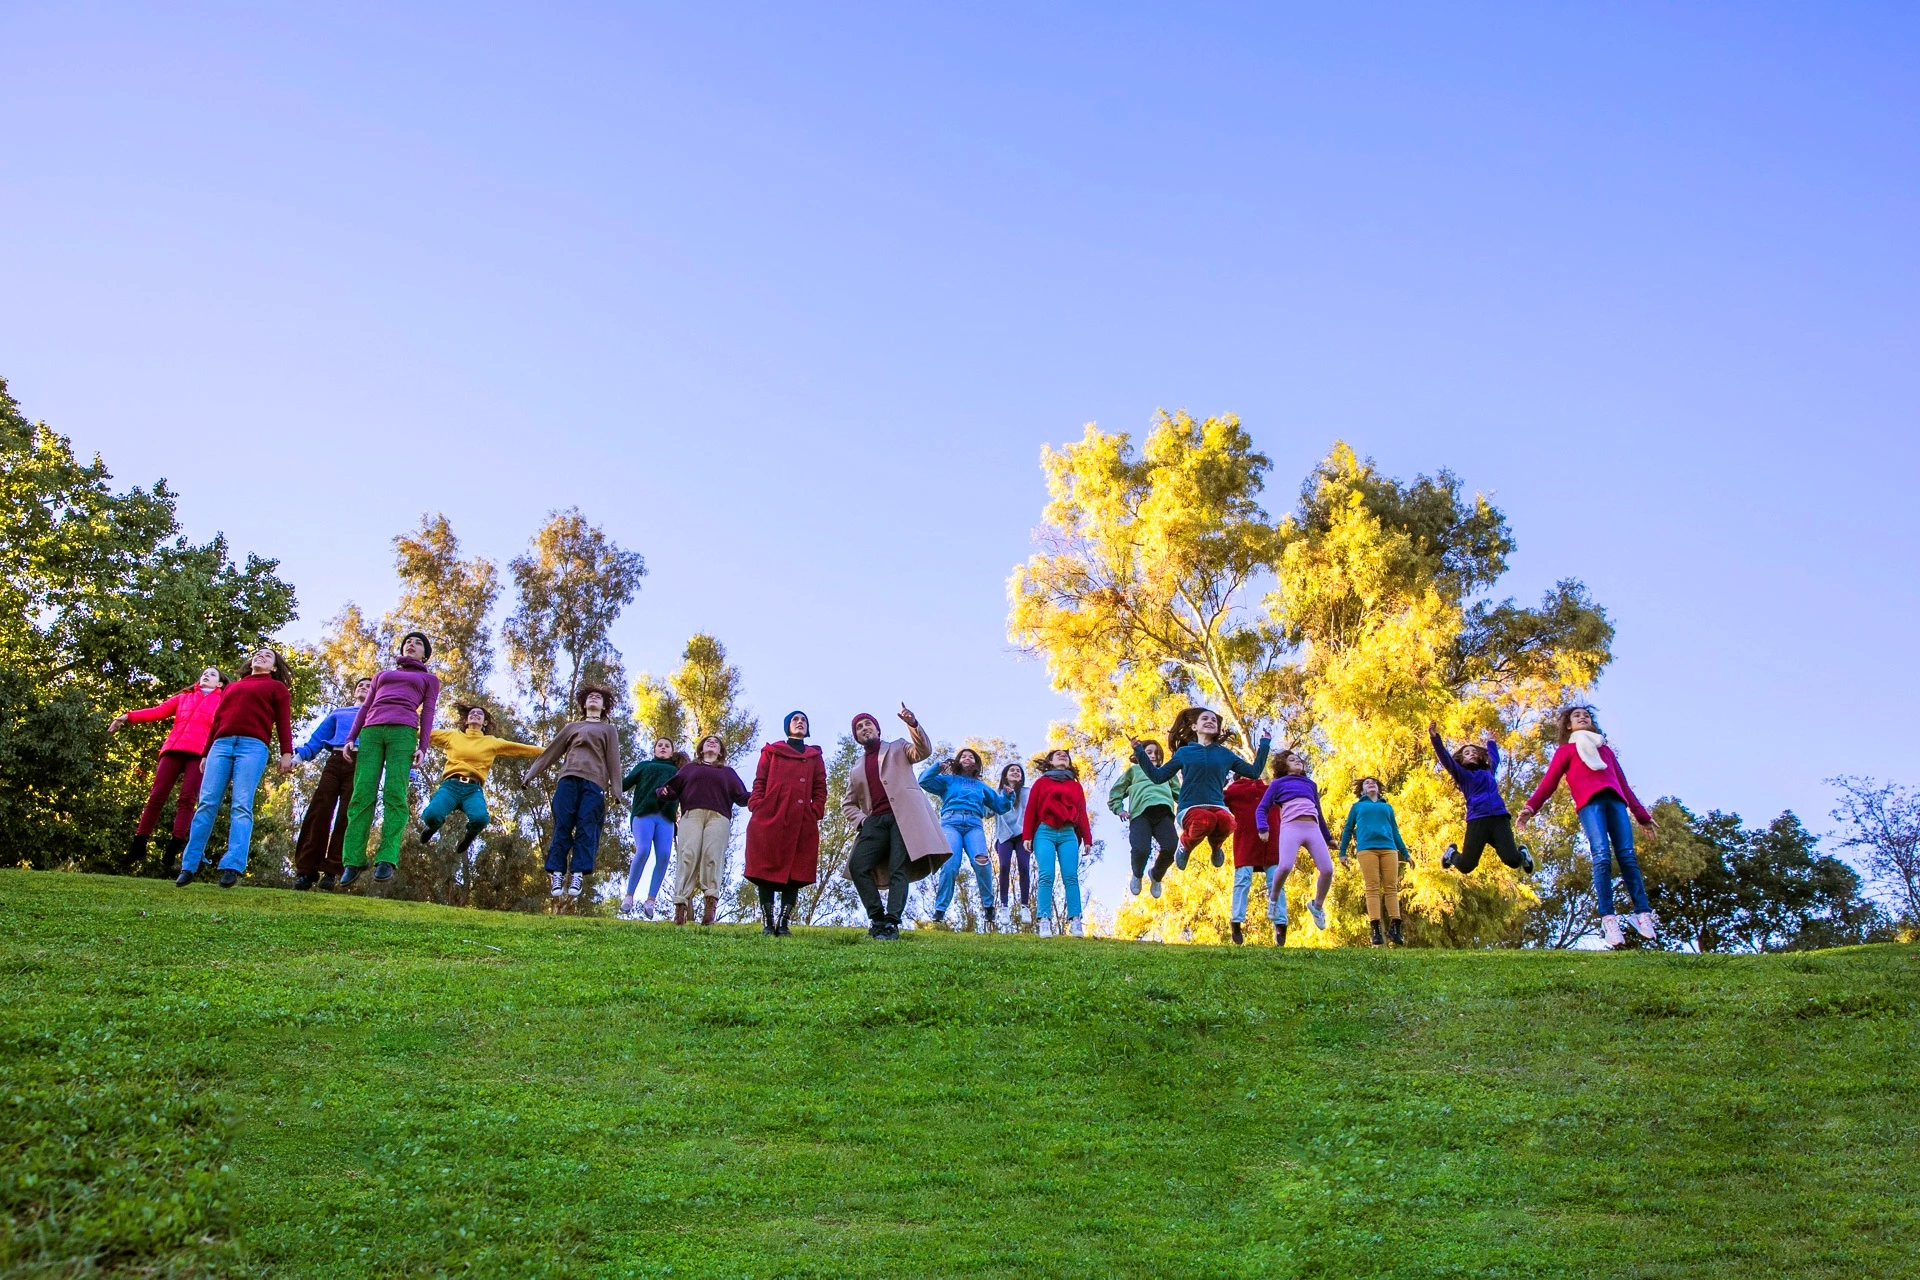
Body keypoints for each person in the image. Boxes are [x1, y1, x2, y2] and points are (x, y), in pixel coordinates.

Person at [1519, 705, 1658, 949]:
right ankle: (1609, 918)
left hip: (1615, 803)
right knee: (1602, 856)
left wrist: (1642, 816)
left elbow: (1624, 785)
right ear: (1569, 726)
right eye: (1577, 715)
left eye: (1587, 715)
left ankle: (1642, 914)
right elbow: (1549, 782)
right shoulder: (1566, 751)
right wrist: (1531, 808)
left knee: (1627, 856)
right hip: (1590, 805)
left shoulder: (1605, 751)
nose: (1583, 717)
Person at [175, 648, 293, 888]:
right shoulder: (231, 687)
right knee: (207, 803)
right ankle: (189, 864)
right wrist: (206, 753)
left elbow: (283, 721)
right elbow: (217, 720)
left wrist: (286, 754)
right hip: (221, 745)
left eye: (267, 656)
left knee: (241, 804)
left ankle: (232, 866)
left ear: (273, 667)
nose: (260, 656)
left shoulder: (276, 688)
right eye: (258, 654)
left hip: (252, 747)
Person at [340, 632, 441, 886]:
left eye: (418, 643)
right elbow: (365, 706)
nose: (411, 645)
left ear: (425, 654)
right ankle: (352, 860)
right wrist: (351, 737)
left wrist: (423, 746)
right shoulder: (381, 676)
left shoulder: (429, 679)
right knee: (362, 794)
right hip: (371, 732)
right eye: (408, 642)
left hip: (403, 733)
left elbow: (428, 711)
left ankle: (386, 857)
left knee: (395, 794)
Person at [841, 706, 945, 940]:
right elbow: (847, 803)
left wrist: (913, 724)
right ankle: (877, 918)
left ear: (877, 729)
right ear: (856, 737)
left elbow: (923, 751)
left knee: (899, 868)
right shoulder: (855, 769)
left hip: (904, 818)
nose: (864, 728)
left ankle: (891, 923)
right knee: (858, 866)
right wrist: (862, 821)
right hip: (874, 822)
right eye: (859, 727)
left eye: (868, 724)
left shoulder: (898, 747)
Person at [111, 665, 226, 866]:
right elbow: (158, 712)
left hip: (199, 754)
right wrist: (128, 716)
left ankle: (173, 848)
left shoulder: (223, 701)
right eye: (204, 673)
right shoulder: (184, 697)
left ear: (220, 683)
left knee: (187, 800)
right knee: (156, 796)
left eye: (212, 674)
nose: (206, 675)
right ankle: (138, 845)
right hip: (173, 750)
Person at [1131, 708, 1272, 871]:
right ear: (1194, 727)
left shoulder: (1225, 754)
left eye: (1214, 720)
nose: (1210, 721)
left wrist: (1265, 744)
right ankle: (1185, 845)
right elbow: (1158, 776)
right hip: (1190, 808)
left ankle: (1216, 847)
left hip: (1217, 806)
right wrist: (1140, 752)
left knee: (1228, 822)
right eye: (1205, 718)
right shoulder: (1184, 753)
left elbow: (1254, 772)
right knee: (1205, 819)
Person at [526, 685, 623, 902]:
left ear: (604, 706)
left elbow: (614, 761)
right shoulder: (573, 727)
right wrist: (531, 774)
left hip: (594, 783)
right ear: (584, 704)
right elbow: (550, 753)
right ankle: (557, 873)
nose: (594, 699)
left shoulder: (609, 730)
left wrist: (616, 790)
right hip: (568, 779)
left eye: (599, 697)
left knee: (587, 826)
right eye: (590, 696)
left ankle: (578, 874)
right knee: (563, 823)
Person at [744, 711, 828, 936]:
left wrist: (815, 810)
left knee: (796, 868)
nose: (800, 722)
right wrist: (757, 805)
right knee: (765, 865)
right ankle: (767, 922)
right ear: (787, 726)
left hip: (802, 819)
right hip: (770, 816)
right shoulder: (772, 752)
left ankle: (784, 922)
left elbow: (820, 787)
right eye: (795, 719)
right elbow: (759, 780)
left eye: (803, 720)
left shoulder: (814, 756)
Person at [419, 703, 542, 855]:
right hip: (450, 787)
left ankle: (470, 835)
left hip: (472, 790)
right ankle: (432, 827)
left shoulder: (491, 742)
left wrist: (551, 750)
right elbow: (424, 734)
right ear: (466, 721)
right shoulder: (453, 736)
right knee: (431, 815)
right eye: (472, 713)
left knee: (481, 818)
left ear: (485, 722)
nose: (475, 714)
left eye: (479, 714)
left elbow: (519, 749)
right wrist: (404, 728)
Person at [659, 733, 751, 925]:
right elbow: (671, 789)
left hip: (718, 818)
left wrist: (760, 794)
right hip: (691, 815)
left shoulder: (728, 773)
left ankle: (710, 905)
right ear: (701, 749)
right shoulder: (689, 769)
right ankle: (680, 906)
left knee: (712, 857)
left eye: (716, 743)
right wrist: (663, 792)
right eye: (708, 741)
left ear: (720, 752)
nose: (712, 743)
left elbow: (742, 797)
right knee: (688, 855)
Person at [290, 675, 371, 890]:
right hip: (334, 761)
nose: (364, 687)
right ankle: (305, 871)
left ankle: (332, 872)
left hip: (361, 763)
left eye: (369, 686)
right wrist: (299, 757)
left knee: (348, 814)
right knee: (319, 811)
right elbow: (318, 738)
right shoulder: (339, 713)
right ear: (354, 692)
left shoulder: (377, 714)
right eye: (360, 685)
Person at [921, 746, 1013, 932]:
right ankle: (939, 911)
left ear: (976, 763)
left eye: (971, 756)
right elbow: (923, 781)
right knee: (949, 864)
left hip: (973, 824)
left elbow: (1000, 806)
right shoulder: (948, 781)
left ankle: (988, 906)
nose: (967, 757)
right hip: (950, 822)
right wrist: (938, 767)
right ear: (958, 761)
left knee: (981, 861)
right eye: (963, 755)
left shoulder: (981, 786)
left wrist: (1009, 795)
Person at [1429, 720, 1532, 881]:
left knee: (1512, 860)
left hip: (1499, 818)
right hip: (1478, 820)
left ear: (1479, 756)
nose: (1471, 753)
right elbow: (1446, 759)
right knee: (1466, 865)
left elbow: (1494, 758)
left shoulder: (1488, 770)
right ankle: (1451, 854)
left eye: (1473, 751)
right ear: (1461, 760)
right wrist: (1435, 738)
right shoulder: (1462, 775)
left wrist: (1491, 740)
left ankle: (1523, 855)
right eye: (1466, 753)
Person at [1254, 749, 1337, 938]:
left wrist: (1327, 837)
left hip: (1313, 829)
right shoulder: (1277, 784)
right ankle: (1273, 898)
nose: (1297, 761)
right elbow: (1262, 808)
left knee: (1327, 870)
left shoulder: (1310, 784)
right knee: (1284, 866)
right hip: (1291, 828)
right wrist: (1263, 828)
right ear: (1284, 766)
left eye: (1299, 759)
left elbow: (1319, 812)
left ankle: (1317, 906)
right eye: (1292, 760)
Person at [1024, 748, 1092, 938]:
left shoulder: (1075, 786)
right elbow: (1031, 809)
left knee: (1071, 876)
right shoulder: (1041, 783)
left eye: (1066, 755)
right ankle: (1044, 920)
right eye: (1058, 755)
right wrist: (1027, 836)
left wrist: (1087, 838)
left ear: (1069, 763)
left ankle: (1076, 921)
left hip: (1068, 833)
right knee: (1046, 875)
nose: (1063, 756)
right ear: (1050, 762)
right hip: (1044, 832)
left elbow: (1082, 812)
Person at [1339, 777, 1412, 946]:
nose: (1371, 783)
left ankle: (1395, 928)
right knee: (1372, 887)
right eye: (1367, 783)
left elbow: (1395, 831)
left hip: (1389, 848)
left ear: (1379, 789)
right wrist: (1342, 852)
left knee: (1391, 887)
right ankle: (1376, 930)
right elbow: (1348, 829)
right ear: (1362, 790)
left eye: (1374, 782)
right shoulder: (1357, 807)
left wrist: (1405, 853)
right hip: (1367, 849)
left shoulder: (1387, 807)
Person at [621, 738, 685, 919]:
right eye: (660, 745)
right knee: (643, 850)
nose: (663, 748)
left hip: (666, 818)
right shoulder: (645, 766)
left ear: (672, 752)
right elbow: (624, 784)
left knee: (664, 856)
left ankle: (650, 900)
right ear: (654, 750)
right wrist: (610, 777)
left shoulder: (678, 772)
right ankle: (629, 896)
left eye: (667, 746)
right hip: (643, 814)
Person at [1109, 741, 1178, 898]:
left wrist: (1189, 810)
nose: (1153, 755)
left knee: (1171, 847)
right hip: (1141, 814)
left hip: (1163, 814)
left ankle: (1156, 875)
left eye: (1156, 753)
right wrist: (1119, 809)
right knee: (1141, 849)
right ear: (1140, 755)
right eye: (1149, 752)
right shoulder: (1134, 771)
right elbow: (1117, 791)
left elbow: (1180, 794)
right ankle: (1137, 874)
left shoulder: (1167, 772)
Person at [1224, 766, 1278, 946]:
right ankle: (1236, 921)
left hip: (1271, 839)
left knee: (1275, 881)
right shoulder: (1234, 790)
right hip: (1246, 838)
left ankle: (1280, 923)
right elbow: (1218, 799)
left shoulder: (1269, 789)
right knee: (1243, 879)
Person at [993, 762, 1033, 922]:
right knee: (1003, 866)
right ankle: (1004, 907)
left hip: (1023, 835)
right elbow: (988, 810)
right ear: (1005, 775)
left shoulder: (1027, 793)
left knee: (1024, 866)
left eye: (1019, 771)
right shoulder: (996, 793)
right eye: (1012, 770)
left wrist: (1032, 836)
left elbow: (1034, 812)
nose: (1016, 772)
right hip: (1004, 835)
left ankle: (1025, 906)